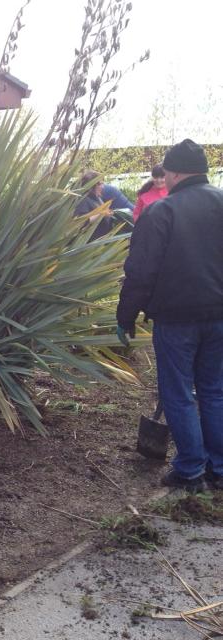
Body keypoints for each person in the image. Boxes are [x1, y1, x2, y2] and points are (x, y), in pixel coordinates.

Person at [117, 139, 223, 492]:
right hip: (219, 317)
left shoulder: (161, 212)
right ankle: (218, 468)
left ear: (174, 172)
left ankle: (190, 470)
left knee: (179, 393)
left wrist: (125, 315)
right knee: (214, 391)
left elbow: (141, 271)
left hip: (176, 319)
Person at [75, 171, 116, 241]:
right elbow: (81, 222)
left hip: (101, 241)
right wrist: (101, 214)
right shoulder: (83, 200)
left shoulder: (98, 198)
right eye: (100, 184)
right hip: (89, 243)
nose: (103, 187)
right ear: (92, 185)